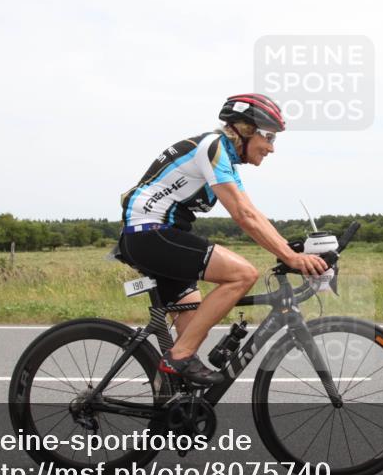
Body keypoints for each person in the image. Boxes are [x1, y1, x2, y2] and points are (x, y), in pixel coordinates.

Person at [117, 94, 329, 385]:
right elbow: (242, 215)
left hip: (157, 236)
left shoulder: (224, 158)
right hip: (150, 233)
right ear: (245, 129)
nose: (271, 148)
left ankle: (171, 407)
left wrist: (287, 248)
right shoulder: (213, 148)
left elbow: (251, 210)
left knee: (192, 321)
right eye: (269, 137)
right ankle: (179, 356)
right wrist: (291, 258)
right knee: (242, 275)